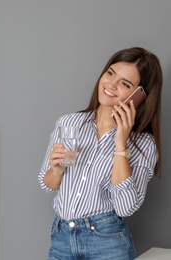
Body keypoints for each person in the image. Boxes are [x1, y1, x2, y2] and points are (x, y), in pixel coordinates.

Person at [38, 47, 162, 259]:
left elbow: (125, 208)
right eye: (110, 73)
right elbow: (46, 183)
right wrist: (57, 171)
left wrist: (120, 143)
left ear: (139, 96)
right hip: (61, 238)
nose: (111, 85)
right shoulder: (69, 123)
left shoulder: (143, 144)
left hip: (106, 242)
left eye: (125, 84)